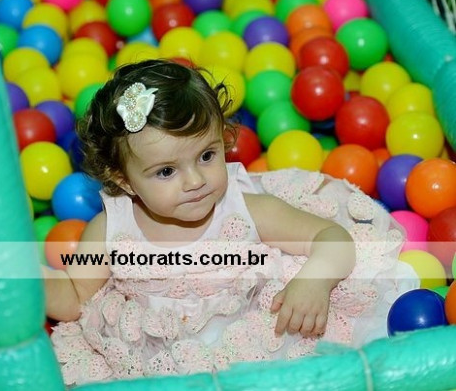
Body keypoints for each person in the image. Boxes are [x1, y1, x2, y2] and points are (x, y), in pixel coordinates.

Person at [44, 59, 417, 386]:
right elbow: (76, 298)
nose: (195, 181)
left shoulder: (242, 210)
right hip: (158, 361)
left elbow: (331, 236)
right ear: (124, 180)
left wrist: (313, 281)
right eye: (167, 171)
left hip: (260, 344)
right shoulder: (110, 231)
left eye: (207, 155)